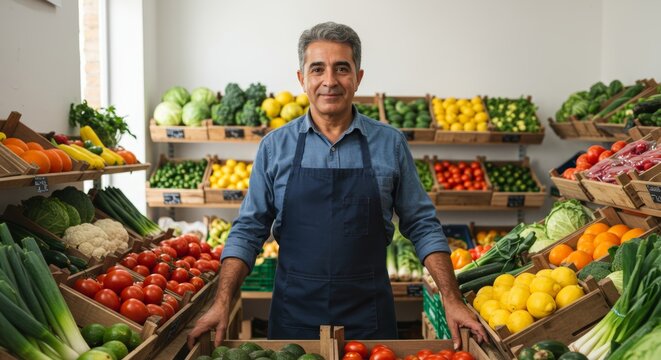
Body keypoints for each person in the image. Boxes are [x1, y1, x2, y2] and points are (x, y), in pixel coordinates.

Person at [188, 21, 486, 348]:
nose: (329, 81)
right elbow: (248, 229)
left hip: (369, 317)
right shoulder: (275, 147)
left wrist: (452, 299)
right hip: (294, 317)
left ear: (358, 78)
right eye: (317, 69)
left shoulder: (390, 144)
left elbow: (422, 224)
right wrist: (221, 302)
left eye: (341, 69)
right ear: (302, 80)